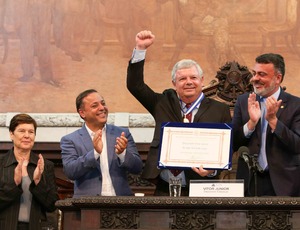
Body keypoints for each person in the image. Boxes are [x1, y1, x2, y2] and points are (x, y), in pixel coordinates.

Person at [126, 30, 232, 196]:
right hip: (164, 186)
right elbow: (135, 86)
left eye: (193, 78)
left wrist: (212, 170)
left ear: (202, 81)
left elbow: (226, 148)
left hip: (201, 188)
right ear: (174, 83)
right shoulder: (162, 103)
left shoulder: (220, 110)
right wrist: (140, 49)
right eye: (182, 79)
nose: (189, 82)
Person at [232, 53, 300, 197]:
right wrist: (251, 124)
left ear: (278, 78)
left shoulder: (296, 105)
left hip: (284, 184)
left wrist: (274, 121)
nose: (255, 78)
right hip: (249, 182)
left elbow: (297, 145)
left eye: (262, 74)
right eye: (254, 73)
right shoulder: (244, 101)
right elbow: (233, 143)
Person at [60, 89, 143, 197]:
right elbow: (70, 172)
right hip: (88, 205)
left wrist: (123, 154)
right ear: (82, 113)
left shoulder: (122, 134)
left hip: (122, 204)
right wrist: (95, 153)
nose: (102, 108)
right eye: (95, 106)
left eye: (103, 103)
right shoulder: (70, 140)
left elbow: (138, 168)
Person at [0, 113, 59, 230]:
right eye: (22, 131)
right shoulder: (1, 164)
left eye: (31, 132)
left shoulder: (45, 165)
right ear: (11, 134)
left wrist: (37, 182)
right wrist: (15, 184)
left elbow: (52, 205)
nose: (27, 136)